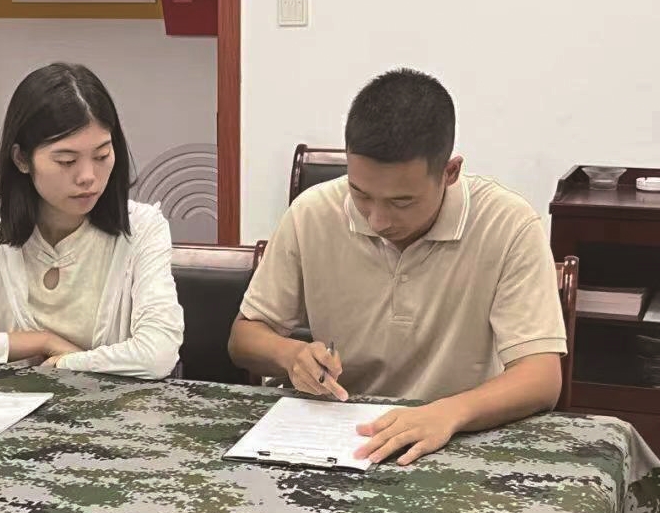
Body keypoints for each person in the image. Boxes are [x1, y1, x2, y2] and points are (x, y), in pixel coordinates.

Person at [228, 69, 565, 466]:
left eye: (401, 202)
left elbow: (542, 377)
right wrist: (291, 355)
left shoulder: (507, 224)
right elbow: (244, 338)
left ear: (450, 173)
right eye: (360, 194)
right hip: (340, 438)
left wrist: (449, 413)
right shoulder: (312, 214)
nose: (377, 219)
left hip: (456, 439)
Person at [0, 62, 183, 381]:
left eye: (102, 156)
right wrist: (41, 341)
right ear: (21, 159)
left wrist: (67, 363)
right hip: (13, 409)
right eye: (66, 161)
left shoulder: (143, 228)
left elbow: (158, 354)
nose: (88, 176)